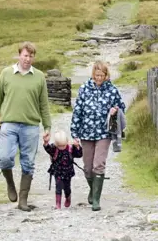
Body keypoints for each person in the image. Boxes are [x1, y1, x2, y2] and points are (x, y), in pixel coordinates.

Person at [0, 41, 51, 211]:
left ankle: (23, 200)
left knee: (28, 163)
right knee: (4, 159)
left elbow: (44, 105)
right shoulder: (6, 74)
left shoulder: (39, 76)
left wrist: (47, 127)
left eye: (31, 56)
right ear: (19, 55)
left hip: (31, 127)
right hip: (9, 124)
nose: (27, 59)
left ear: (34, 58)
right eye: (25, 55)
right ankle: (10, 185)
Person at [71, 60, 125, 212]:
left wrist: (115, 110)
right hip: (86, 133)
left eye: (102, 75)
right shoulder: (84, 89)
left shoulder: (112, 90)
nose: (99, 78)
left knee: (98, 165)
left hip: (104, 133)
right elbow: (78, 111)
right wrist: (74, 133)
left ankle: (96, 200)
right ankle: (92, 189)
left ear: (106, 75)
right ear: (93, 75)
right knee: (88, 168)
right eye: (96, 75)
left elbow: (121, 106)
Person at [43, 130, 83, 209]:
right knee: (58, 186)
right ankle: (58, 204)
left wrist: (78, 146)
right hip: (58, 171)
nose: (61, 148)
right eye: (59, 146)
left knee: (67, 187)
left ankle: (68, 197)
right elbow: (47, 149)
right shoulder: (54, 148)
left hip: (68, 171)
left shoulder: (71, 148)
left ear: (67, 142)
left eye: (63, 146)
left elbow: (79, 154)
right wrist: (45, 142)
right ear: (56, 144)